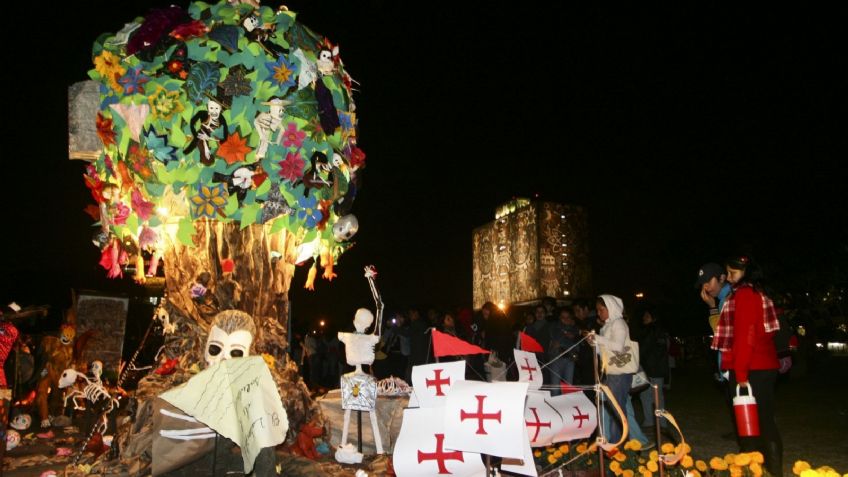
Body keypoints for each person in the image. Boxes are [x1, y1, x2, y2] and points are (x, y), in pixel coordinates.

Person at [711, 256, 783, 476]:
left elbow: (745, 336)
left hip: (752, 368)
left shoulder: (746, 295)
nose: (729, 278)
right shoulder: (756, 292)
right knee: (761, 422)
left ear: (748, 273)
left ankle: (765, 470)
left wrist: (740, 373)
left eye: (733, 273)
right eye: (728, 273)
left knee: (755, 426)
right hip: (759, 366)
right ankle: (764, 469)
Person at [586, 294, 632, 444]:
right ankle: (615, 441)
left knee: (616, 408)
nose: (599, 313)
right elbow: (605, 350)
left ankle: (617, 443)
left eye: (601, 309)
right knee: (612, 408)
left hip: (619, 372)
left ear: (610, 307)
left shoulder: (618, 323)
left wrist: (598, 339)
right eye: (598, 310)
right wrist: (594, 344)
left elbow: (618, 347)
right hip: (611, 371)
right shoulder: (607, 325)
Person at [637, 309, 670, 429]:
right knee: (656, 395)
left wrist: (637, 359)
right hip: (658, 368)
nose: (644, 318)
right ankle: (660, 422)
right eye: (644, 315)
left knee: (647, 395)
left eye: (647, 315)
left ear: (654, 317)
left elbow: (644, 349)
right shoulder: (662, 331)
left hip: (650, 368)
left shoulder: (650, 330)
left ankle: (651, 420)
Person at [547, 306, 579, 394]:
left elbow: (576, 344)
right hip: (556, 358)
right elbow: (556, 338)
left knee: (568, 387)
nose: (565, 319)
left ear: (571, 318)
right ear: (559, 318)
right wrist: (566, 335)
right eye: (562, 317)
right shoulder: (554, 326)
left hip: (569, 359)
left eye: (567, 317)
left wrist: (567, 338)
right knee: (555, 388)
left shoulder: (575, 328)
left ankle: (567, 407)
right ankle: (555, 406)